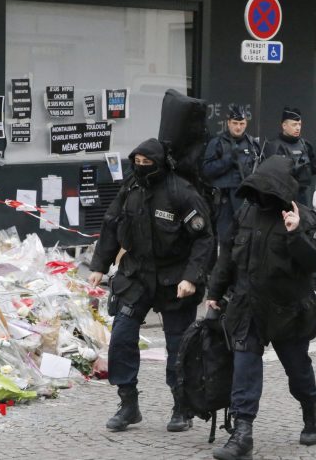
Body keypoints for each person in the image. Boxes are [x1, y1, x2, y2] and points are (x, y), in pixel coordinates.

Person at [205, 155, 316, 460]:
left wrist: (295, 233)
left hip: (288, 310)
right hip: (247, 307)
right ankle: (242, 434)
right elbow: (227, 256)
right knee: (244, 369)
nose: (262, 194)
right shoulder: (245, 213)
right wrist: (215, 292)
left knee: (298, 372)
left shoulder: (304, 217)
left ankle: (310, 410)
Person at [88, 138, 214, 433]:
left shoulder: (182, 192)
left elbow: (204, 239)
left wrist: (191, 277)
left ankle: (182, 406)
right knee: (121, 337)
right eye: (138, 162)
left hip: (175, 278)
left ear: (161, 164)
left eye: (147, 163)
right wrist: (99, 266)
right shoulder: (131, 188)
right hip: (137, 275)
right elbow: (111, 223)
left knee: (179, 346)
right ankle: (128, 404)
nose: (142, 167)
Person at [202, 105, 262, 244]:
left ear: (246, 124)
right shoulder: (217, 143)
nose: (238, 127)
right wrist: (227, 160)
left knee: (246, 239)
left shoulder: (252, 145)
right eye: (235, 123)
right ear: (228, 123)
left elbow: (262, 171)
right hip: (224, 202)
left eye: (241, 123)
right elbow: (206, 170)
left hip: (246, 200)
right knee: (225, 240)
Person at [263, 106, 316, 205]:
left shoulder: (306, 145)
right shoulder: (274, 146)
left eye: (299, 124)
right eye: (294, 124)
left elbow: (313, 169)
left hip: (304, 198)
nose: (298, 128)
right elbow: (269, 178)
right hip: (282, 198)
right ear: (284, 126)